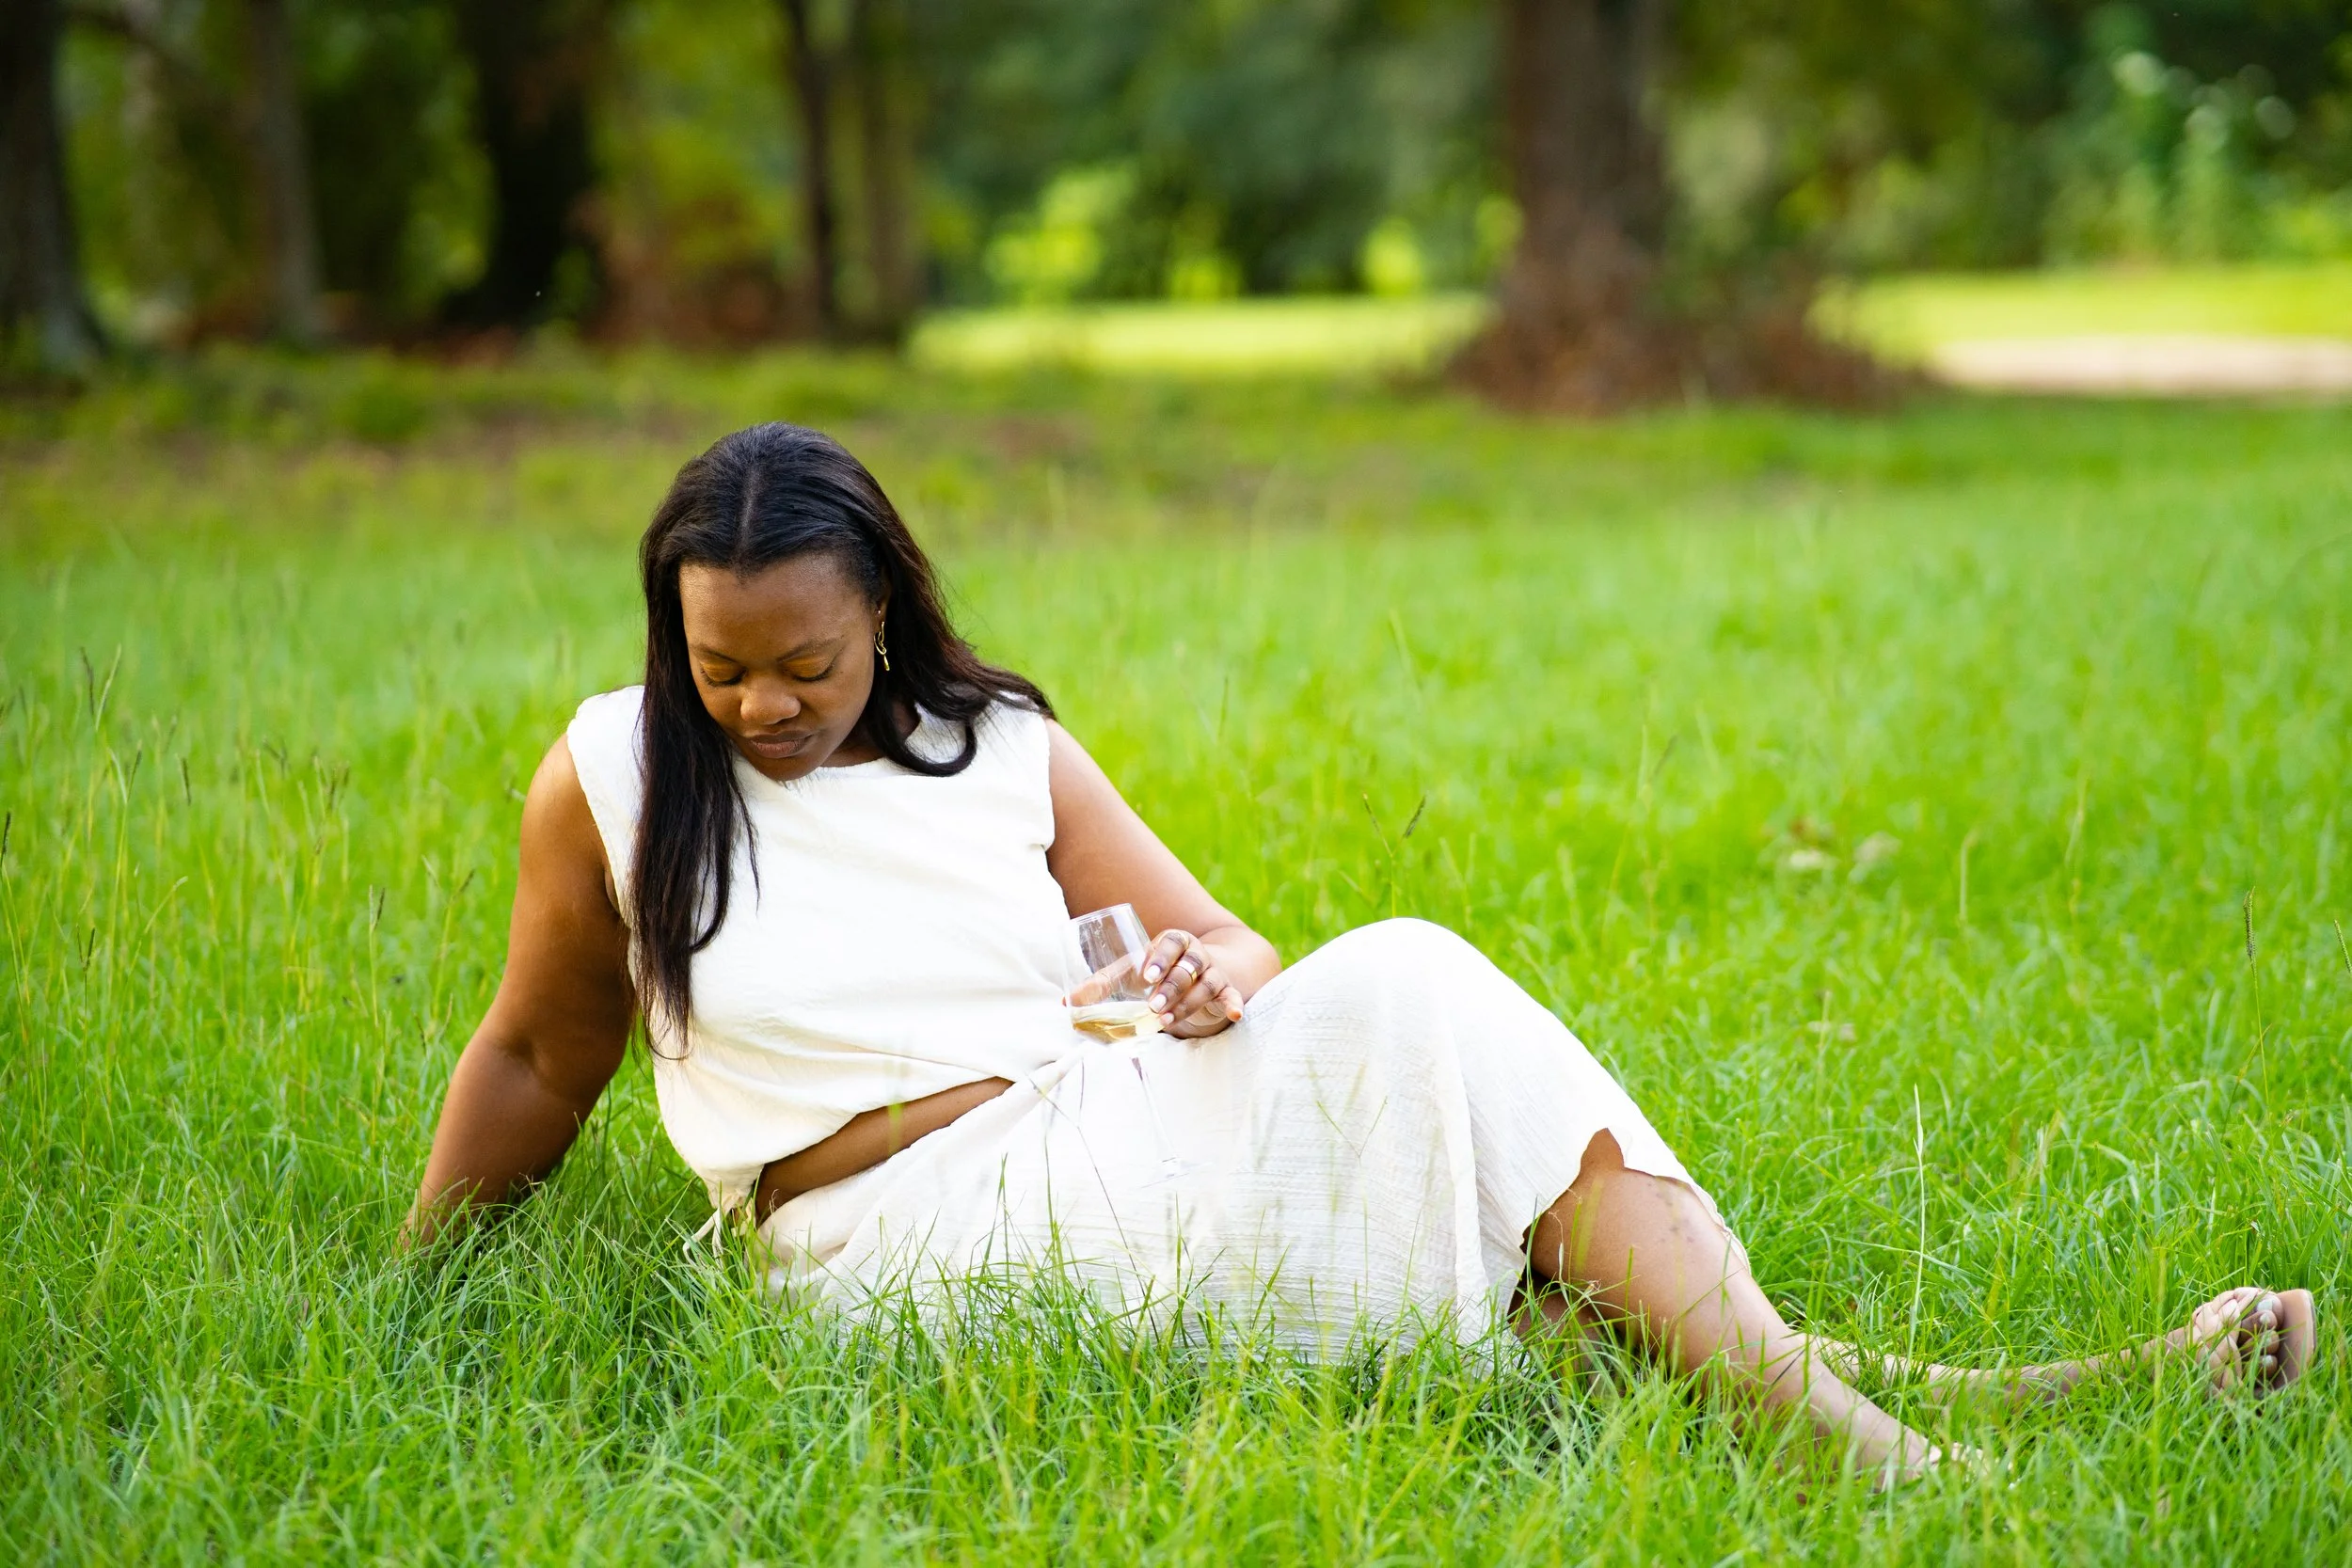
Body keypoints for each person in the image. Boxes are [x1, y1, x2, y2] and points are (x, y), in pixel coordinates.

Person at [410, 422, 2315, 1489]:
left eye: (807, 666)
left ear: (884, 617)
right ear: (673, 641)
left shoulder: (993, 741)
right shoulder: (616, 777)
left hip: (1106, 1120)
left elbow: (1211, 932)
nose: (765, 702)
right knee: (1506, 1258)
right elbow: (534, 1056)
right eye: (722, 664)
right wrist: (412, 1285)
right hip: (890, 1237)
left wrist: (1214, 980)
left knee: (1403, 999)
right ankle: (1925, 1435)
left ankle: (1945, 1416)